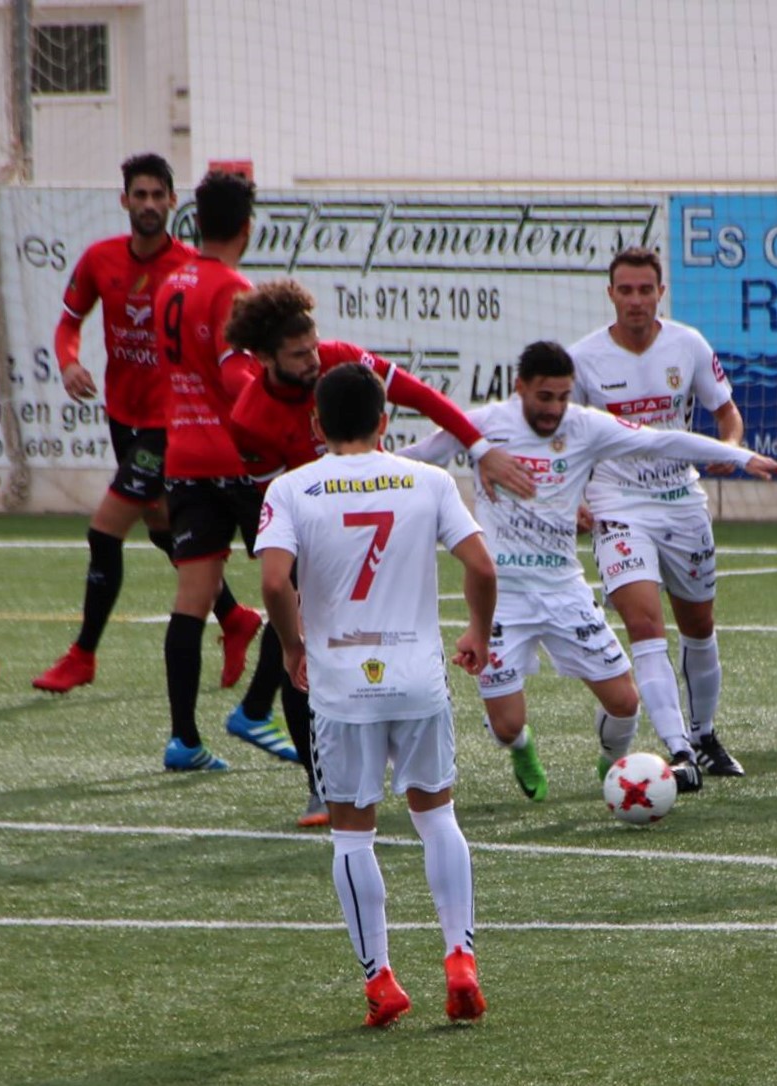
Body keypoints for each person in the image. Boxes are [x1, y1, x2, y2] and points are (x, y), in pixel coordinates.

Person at [401, 341, 777, 800]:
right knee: (507, 726)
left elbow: (660, 440)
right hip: (503, 598)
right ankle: (522, 747)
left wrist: (742, 456)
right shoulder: (484, 426)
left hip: (565, 590)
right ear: (520, 387)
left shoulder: (585, 426)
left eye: (563, 397)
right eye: (544, 397)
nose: (555, 409)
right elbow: (418, 457)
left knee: (625, 704)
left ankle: (613, 768)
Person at [222, 278, 535, 827]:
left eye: (314, 346)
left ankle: (392, 761)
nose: (314, 360)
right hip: (314, 524)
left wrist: (480, 447)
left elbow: (423, 397)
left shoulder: (343, 361)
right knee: (297, 638)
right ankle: (321, 784)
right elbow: (276, 506)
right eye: (299, 355)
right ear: (265, 358)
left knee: (386, 628)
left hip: (376, 504)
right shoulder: (249, 418)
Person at [259, 363, 495, 1027]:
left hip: (341, 687)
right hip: (416, 680)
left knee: (352, 835)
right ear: (385, 421)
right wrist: (477, 631)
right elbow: (481, 565)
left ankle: (381, 981)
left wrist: (293, 646)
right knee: (437, 818)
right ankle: (459, 959)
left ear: (316, 425)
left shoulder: (291, 487)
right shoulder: (428, 481)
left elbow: (275, 583)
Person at [33, 153, 263, 696]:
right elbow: (69, 322)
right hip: (124, 416)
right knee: (163, 528)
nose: (150, 204)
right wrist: (68, 363)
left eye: (159, 195)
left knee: (105, 529)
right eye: (140, 195)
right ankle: (234, 617)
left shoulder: (189, 269)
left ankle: (83, 654)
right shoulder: (100, 259)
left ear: (174, 203)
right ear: (125, 201)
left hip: (170, 425)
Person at [569, 245, 748, 778]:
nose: (636, 300)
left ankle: (704, 735)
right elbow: (563, 440)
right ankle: (679, 751)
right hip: (618, 504)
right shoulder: (583, 360)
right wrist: (573, 497)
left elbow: (727, 412)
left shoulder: (687, 345)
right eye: (625, 290)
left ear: (660, 293)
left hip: (681, 501)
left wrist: (730, 447)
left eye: (645, 290)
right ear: (610, 294)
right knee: (645, 624)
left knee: (699, 625)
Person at [151, 170, 269, 772]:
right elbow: (233, 375)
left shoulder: (171, 282)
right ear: (247, 227)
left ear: (195, 222)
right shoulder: (233, 288)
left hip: (184, 457)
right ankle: (257, 709)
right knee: (298, 588)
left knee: (191, 601)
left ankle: (183, 740)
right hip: (236, 459)